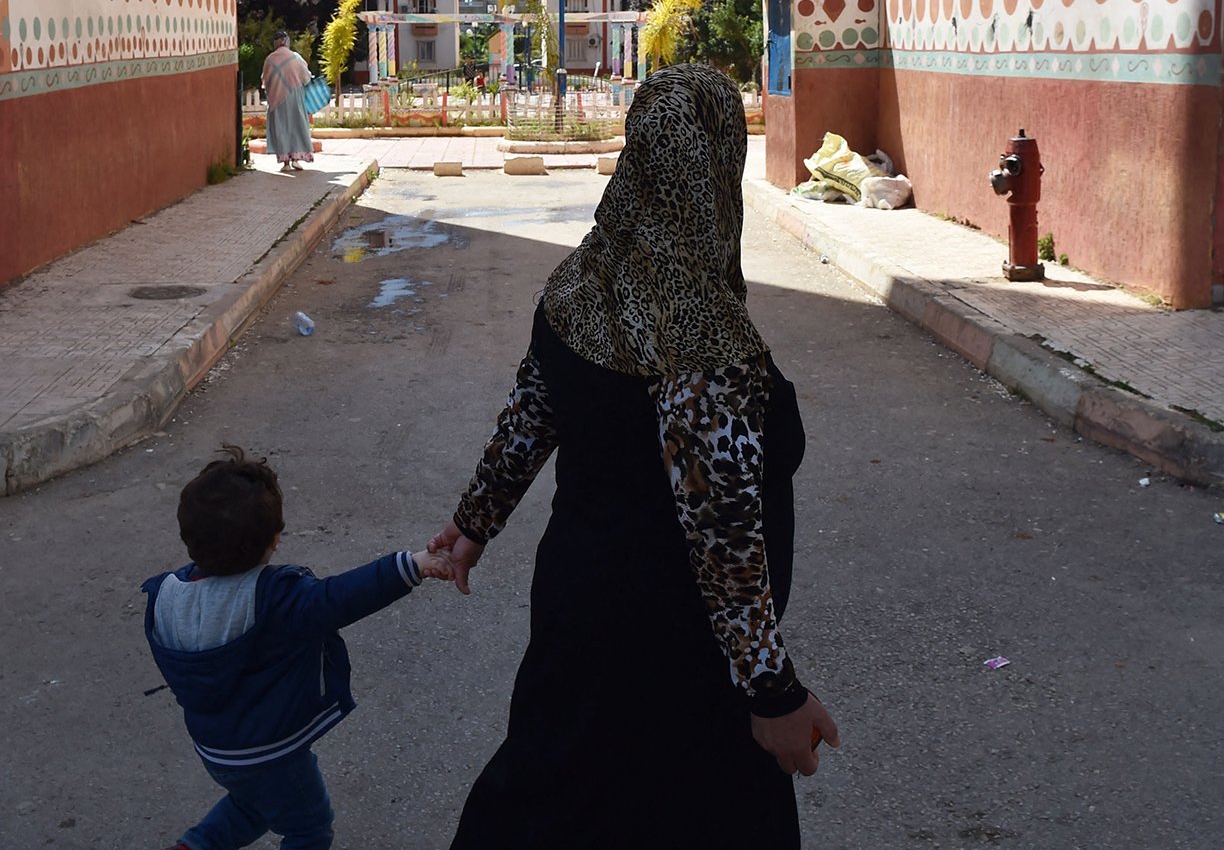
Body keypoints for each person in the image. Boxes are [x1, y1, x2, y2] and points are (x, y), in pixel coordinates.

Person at [430, 62, 839, 850]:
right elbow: (719, 537)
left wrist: (472, 523)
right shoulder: (704, 344)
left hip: (578, 613)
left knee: (552, 796)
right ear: (719, 166)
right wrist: (772, 692)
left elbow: (529, 414)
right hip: (679, 656)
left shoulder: (581, 282)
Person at [142, 444, 453, 850]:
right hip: (271, 754)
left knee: (254, 806)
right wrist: (412, 565)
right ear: (274, 541)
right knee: (308, 827)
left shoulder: (167, 594)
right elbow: (340, 597)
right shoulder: (273, 598)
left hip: (216, 750)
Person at [261, 30, 314, 173]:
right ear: (286, 41)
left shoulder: (270, 59)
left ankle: (285, 162)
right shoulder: (295, 57)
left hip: (276, 98)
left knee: (281, 128)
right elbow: (306, 77)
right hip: (295, 97)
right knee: (296, 125)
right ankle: (296, 159)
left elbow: (265, 80)